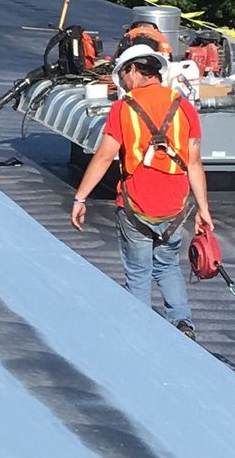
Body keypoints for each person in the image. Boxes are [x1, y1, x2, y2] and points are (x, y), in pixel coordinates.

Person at [69, 42, 213, 337]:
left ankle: (139, 332)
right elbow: (195, 163)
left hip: (136, 205)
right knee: (168, 265)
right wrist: (203, 209)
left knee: (138, 272)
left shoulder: (124, 109)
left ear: (133, 70)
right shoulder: (184, 107)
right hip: (175, 207)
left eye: (121, 74)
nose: (121, 82)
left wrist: (80, 198)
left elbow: (105, 156)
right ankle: (182, 322)